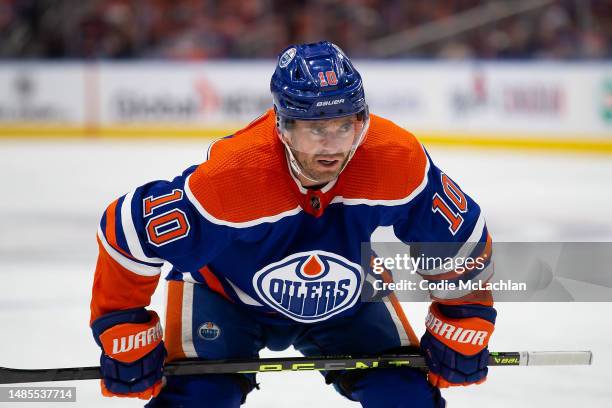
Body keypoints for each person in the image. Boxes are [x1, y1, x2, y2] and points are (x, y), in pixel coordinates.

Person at [89, 41, 496, 407]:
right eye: (317, 128)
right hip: (226, 295)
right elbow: (127, 233)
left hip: (344, 293)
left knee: (404, 397)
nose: (334, 145)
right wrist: (123, 327)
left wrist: (463, 318)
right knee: (202, 398)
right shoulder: (235, 175)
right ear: (283, 126)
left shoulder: (393, 157)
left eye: (345, 126)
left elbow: (459, 240)